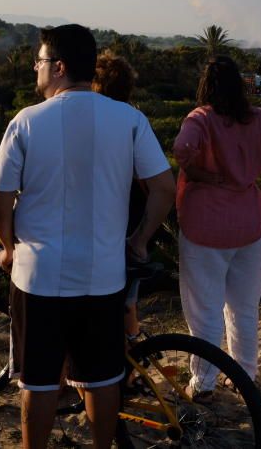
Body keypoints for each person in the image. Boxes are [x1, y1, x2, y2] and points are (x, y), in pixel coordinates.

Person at [0, 25, 175, 449]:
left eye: (39, 62)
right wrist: (140, 240)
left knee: (38, 382)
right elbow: (165, 188)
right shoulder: (129, 119)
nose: (36, 70)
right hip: (102, 275)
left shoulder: (26, 121)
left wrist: (8, 248)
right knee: (102, 378)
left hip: (37, 278)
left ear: (59, 67)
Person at [175, 56, 261, 395]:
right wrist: (258, 164)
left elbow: (181, 149)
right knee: (244, 308)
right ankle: (244, 375)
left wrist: (202, 173)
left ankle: (203, 383)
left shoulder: (201, 119)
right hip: (249, 224)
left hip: (205, 225)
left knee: (205, 311)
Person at [92, 51, 148, 339]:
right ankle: (131, 366)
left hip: (94, 234)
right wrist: (142, 236)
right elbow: (156, 186)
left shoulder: (84, 121)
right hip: (128, 231)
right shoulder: (134, 120)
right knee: (128, 304)